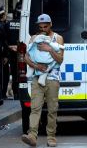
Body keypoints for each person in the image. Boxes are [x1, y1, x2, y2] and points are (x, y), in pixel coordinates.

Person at [21, 13, 64, 147]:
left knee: (52, 110)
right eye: (40, 27)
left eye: (45, 26)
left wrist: (50, 49)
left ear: (50, 24)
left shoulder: (58, 38)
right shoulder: (34, 38)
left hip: (52, 78)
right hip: (37, 77)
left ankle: (51, 137)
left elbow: (60, 60)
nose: (43, 29)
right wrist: (35, 66)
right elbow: (26, 57)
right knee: (35, 108)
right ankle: (32, 136)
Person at [4, 2, 21, 99]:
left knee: (14, 73)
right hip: (22, 52)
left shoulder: (8, 24)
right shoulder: (25, 23)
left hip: (10, 52)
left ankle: (16, 93)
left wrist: (10, 47)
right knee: (22, 73)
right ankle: (20, 93)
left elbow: (4, 39)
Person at [0, 6, 10, 100]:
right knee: (4, 76)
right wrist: (6, 55)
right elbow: (4, 42)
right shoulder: (2, 26)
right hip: (1, 54)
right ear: (2, 15)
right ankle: (2, 93)